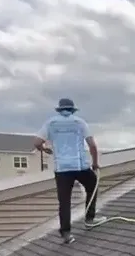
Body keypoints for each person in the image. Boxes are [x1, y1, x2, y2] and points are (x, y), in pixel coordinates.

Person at [34, 98, 103, 243]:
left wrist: (44, 149)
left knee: (64, 200)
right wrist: (95, 163)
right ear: (72, 110)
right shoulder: (79, 122)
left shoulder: (51, 123)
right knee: (92, 184)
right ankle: (90, 219)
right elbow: (92, 145)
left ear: (59, 110)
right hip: (79, 165)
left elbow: (36, 142)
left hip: (62, 168)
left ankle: (66, 233)